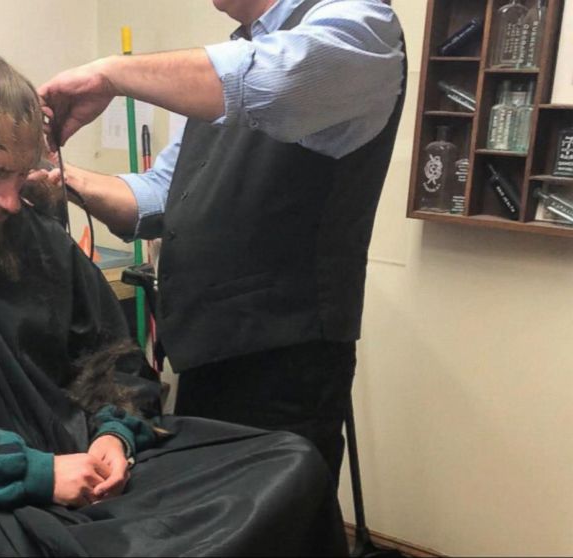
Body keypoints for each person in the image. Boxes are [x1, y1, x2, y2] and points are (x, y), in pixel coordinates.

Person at [0, 53, 347, 557]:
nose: (11, 198)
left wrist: (114, 437)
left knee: (291, 464)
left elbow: (114, 363)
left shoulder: (39, 239)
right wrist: (36, 473)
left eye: (22, 175)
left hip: (82, 464)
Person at [38, 0, 406, 486]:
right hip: (206, 355)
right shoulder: (233, 59)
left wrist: (110, 74)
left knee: (275, 531)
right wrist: (58, 177)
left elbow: (273, 81)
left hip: (284, 364)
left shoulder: (361, 24)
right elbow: (161, 196)